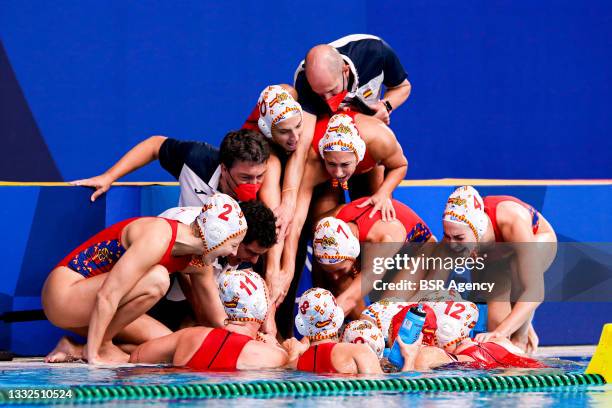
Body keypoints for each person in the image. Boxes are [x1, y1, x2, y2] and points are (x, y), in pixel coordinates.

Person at [42, 193, 247, 364]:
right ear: (217, 235)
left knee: (165, 345)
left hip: (93, 301)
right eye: (234, 244)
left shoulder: (197, 263)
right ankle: (95, 348)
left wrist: (252, 337)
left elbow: (218, 319)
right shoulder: (158, 236)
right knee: (158, 278)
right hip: (63, 294)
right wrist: (94, 356)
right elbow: (108, 294)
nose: (234, 252)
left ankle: (73, 348)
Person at [274, 35, 411, 242]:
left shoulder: (376, 52)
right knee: (322, 230)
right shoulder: (305, 78)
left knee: (376, 215)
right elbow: (301, 146)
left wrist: (386, 106)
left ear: (344, 72)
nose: (328, 102)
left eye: (332, 91)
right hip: (326, 153)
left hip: (364, 146)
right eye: (320, 95)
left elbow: (403, 87)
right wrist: (288, 202)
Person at [441, 186, 557, 353]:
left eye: (459, 238)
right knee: (495, 332)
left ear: (477, 231)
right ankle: (522, 330)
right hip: (498, 258)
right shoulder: (457, 234)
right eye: (447, 235)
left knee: (505, 331)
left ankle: (522, 339)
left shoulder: (512, 220)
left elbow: (534, 292)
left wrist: (502, 332)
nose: (451, 243)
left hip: (538, 238)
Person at [148, 200, 278, 330]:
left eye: (258, 255)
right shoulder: (199, 239)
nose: (254, 261)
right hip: (150, 294)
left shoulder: (229, 241)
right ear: (237, 236)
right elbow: (203, 313)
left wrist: (268, 333)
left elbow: (256, 293)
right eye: (250, 252)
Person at [129, 269, 289, 370]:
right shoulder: (273, 355)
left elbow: (137, 357)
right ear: (262, 309)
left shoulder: (189, 336)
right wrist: (280, 347)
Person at [71, 129, 270, 207]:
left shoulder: (269, 193)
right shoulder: (196, 160)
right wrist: (109, 176)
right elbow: (154, 145)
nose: (254, 185)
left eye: (259, 176)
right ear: (224, 168)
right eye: (245, 178)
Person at [310, 197, 435, 316]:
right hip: (382, 250)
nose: (335, 277)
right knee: (339, 281)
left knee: (385, 312)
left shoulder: (383, 241)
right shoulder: (325, 228)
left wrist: (309, 335)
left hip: (422, 251)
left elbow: (350, 299)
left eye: (340, 269)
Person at [291, 288, 421, 374]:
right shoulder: (360, 351)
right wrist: (410, 359)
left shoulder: (297, 362)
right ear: (337, 317)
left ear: (301, 323)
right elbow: (384, 395)